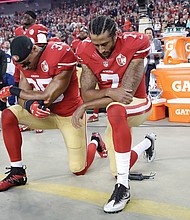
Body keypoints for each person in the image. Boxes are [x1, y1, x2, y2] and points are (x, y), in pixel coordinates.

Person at [0, 35, 107, 192]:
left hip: (69, 115)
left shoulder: (60, 53)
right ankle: (17, 172)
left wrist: (13, 90)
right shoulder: (23, 62)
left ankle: (95, 141)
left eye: (27, 63)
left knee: (78, 169)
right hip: (44, 114)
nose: (26, 67)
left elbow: (48, 96)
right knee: (9, 115)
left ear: (35, 49)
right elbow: (23, 97)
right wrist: (30, 106)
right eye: (22, 64)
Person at [72, 15, 155, 213]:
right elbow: (86, 93)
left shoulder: (134, 43)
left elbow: (125, 96)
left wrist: (85, 106)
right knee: (115, 169)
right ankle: (148, 143)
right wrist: (108, 91)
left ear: (116, 35)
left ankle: (123, 187)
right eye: (96, 44)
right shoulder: (85, 49)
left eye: (105, 44)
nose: (100, 50)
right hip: (113, 108)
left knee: (116, 109)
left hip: (138, 102)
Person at [14, 10, 49, 133]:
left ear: (34, 19)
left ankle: (38, 123)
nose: (25, 18)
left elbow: (43, 45)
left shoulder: (39, 29)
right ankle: (28, 122)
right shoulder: (18, 30)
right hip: (20, 65)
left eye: (28, 16)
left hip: (34, 64)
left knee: (36, 90)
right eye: (24, 16)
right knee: (23, 92)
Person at [144, 27, 164, 94]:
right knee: (146, 80)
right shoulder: (143, 43)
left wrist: (159, 55)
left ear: (152, 33)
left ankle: (159, 92)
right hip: (147, 63)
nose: (148, 34)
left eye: (150, 33)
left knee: (158, 79)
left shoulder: (157, 42)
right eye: (147, 33)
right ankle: (146, 94)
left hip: (156, 63)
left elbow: (162, 51)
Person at [3, 40, 16, 106]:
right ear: (3, 45)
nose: (7, 44)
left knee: (11, 89)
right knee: (2, 89)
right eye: (6, 43)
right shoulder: (2, 53)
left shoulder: (12, 52)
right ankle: (3, 105)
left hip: (11, 73)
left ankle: (11, 104)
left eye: (8, 43)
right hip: (3, 73)